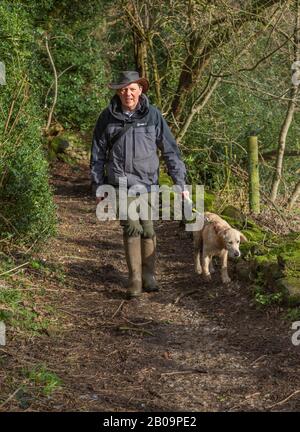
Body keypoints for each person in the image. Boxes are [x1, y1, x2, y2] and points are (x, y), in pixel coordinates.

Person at [90, 71, 188, 299]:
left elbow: (170, 149)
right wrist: (98, 185)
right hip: (121, 183)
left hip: (149, 182)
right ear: (118, 92)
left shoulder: (153, 116)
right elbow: (97, 154)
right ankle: (134, 278)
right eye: (123, 89)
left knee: (149, 228)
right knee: (131, 226)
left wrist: (179, 181)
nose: (128, 93)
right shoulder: (107, 117)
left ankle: (149, 275)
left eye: (132, 89)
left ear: (140, 90)